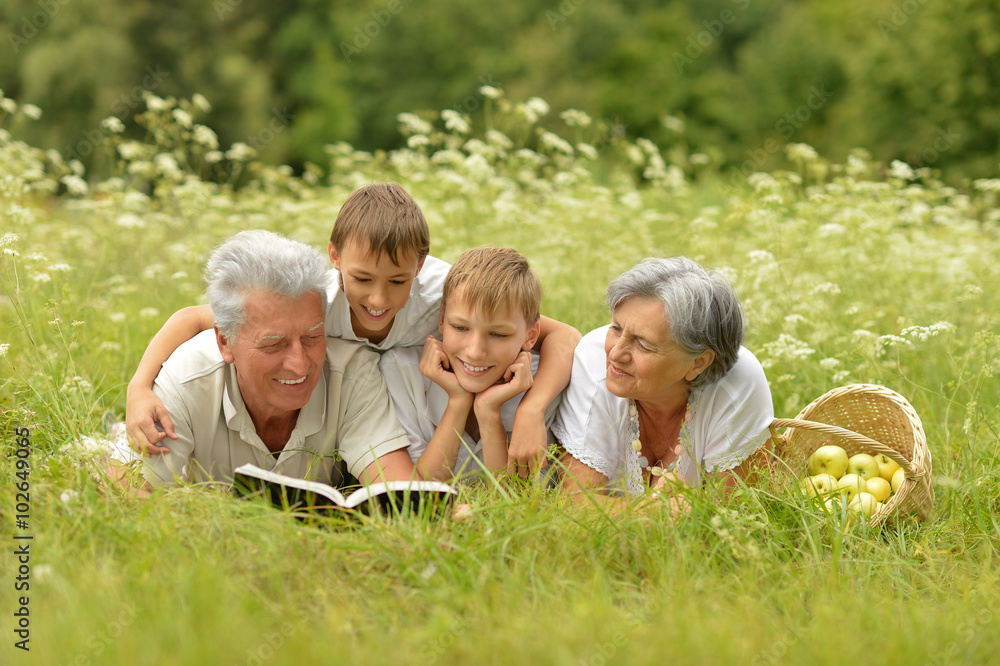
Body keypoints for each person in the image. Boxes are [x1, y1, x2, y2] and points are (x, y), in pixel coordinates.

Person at [124, 183, 579, 477]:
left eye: (398, 281)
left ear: (419, 267)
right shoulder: (319, 297)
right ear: (335, 257)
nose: (378, 300)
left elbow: (561, 335)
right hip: (349, 406)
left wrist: (532, 410)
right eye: (362, 280)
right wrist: (139, 386)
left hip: (389, 410)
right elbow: (194, 318)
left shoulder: (447, 295)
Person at [113, 230, 416, 492]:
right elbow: (125, 489)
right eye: (274, 344)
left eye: (312, 338)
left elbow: (398, 490)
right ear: (224, 342)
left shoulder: (352, 372)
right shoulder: (187, 376)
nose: (300, 365)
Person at [553, 257, 774, 504]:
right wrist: (658, 515)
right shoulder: (594, 361)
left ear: (698, 363)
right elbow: (575, 506)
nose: (615, 353)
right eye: (616, 328)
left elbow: (736, 516)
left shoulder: (739, 383)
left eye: (643, 344)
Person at [379, 247, 561, 482]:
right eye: (461, 328)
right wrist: (458, 403)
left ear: (531, 334)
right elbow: (422, 497)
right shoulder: (402, 372)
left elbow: (513, 506)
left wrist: (488, 413)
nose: (475, 352)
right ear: (441, 319)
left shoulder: (544, 383)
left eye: (497, 334)